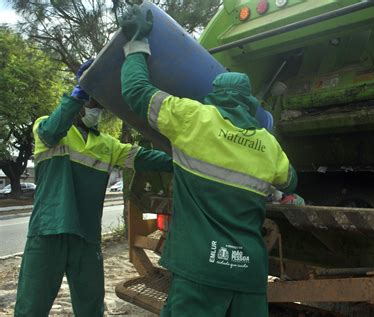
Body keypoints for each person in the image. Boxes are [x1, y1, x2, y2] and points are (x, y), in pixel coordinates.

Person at [119, 6, 297, 317]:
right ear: (249, 104)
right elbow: (291, 181)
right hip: (247, 272)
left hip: (199, 270)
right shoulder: (269, 146)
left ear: (213, 94)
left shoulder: (194, 119)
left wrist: (136, 43)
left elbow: (136, 91)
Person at [14, 59, 173, 317]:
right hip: (48, 231)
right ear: (79, 103)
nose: (94, 109)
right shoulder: (49, 127)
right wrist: (81, 90)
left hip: (86, 237)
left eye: (99, 105)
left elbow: (146, 158)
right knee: (31, 306)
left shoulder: (109, 145)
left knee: (91, 307)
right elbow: (51, 131)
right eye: (91, 103)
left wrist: (183, 160)